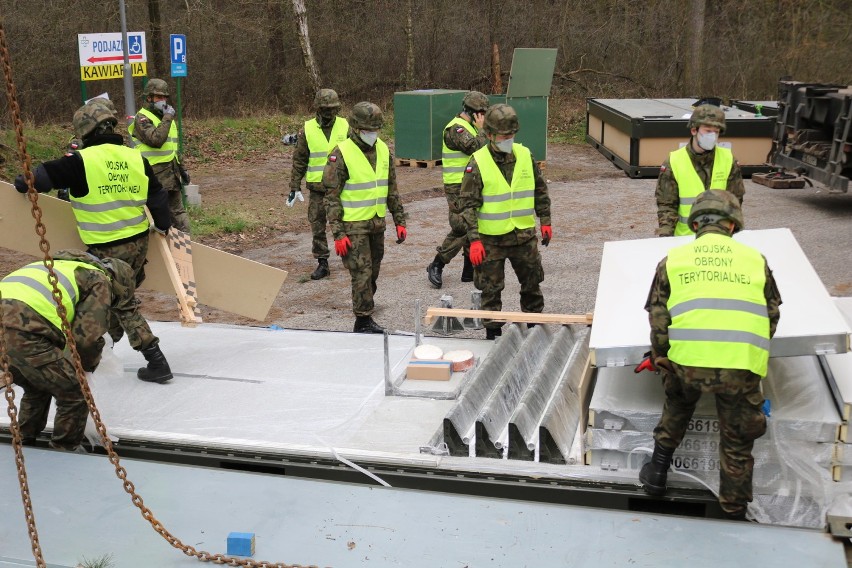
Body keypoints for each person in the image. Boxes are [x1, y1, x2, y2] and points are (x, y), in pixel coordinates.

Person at [639, 189, 782, 520]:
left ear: (696, 225)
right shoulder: (755, 260)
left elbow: (659, 320)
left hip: (688, 362)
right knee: (737, 439)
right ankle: (733, 508)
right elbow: (771, 314)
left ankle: (658, 473)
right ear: (732, 225)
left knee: (678, 400)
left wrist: (661, 356)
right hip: (741, 367)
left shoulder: (673, 262)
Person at [13, 101, 174, 384]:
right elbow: (158, 198)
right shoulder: (135, 157)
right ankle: (101, 350)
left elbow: (32, 180)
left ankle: (156, 360)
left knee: (121, 303)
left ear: (84, 131)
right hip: (138, 244)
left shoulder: (79, 162)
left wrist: (21, 182)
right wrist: (163, 226)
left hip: (106, 249)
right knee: (113, 299)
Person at [0, 251, 137, 451]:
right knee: (74, 392)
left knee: (37, 384)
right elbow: (86, 338)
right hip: (20, 330)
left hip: (16, 326)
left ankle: (23, 442)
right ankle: (64, 452)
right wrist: (86, 369)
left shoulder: (57, 266)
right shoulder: (98, 280)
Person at [458, 104, 552, 340]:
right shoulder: (477, 162)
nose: (507, 139)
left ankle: (534, 330)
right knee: (491, 290)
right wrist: (474, 240)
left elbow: (540, 190)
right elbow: (467, 205)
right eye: (503, 136)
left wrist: (545, 220)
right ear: (489, 134)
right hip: (491, 241)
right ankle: (493, 335)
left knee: (532, 285)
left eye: (511, 135)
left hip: (523, 237)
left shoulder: (524, 155)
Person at [322, 101, 407, 334]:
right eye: (368, 130)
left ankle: (365, 306)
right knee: (362, 272)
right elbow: (331, 198)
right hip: (353, 226)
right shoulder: (341, 154)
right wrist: (338, 234)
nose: (373, 134)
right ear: (356, 128)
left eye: (376, 129)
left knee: (374, 271)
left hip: (377, 223)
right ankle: (362, 320)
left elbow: (392, 189)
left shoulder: (382, 150)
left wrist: (400, 220)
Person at [426, 91, 490, 289]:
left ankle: (469, 270)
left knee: (474, 222)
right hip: (457, 186)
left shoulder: (469, 126)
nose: (484, 117)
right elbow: (475, 147)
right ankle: (437, 263)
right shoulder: (456, 129)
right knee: (463, 226)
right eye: (482, 114)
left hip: (471, 184)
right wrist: (482, 130)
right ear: (473, 113)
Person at [655, 104, 745, 237]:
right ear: (694, 130)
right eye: (708, 131)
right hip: (686, 239)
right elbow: (667, 206)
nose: (713, 136)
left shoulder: (728, 159)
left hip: (719, 239)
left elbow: (735, 202)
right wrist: (666, 238)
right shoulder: (674, 161)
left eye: (717, 131)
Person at [287, 88, 350, 280]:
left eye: (332, 109)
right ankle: (322, 262)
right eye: (324, 109)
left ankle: (349, 257)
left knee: (344, 223)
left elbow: (354, 156)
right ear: (317, 109)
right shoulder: (307, 129)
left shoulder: (345, 126)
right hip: (317, 188)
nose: (328, 113)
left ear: (337, 109)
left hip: (340, 187)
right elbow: (300, 160)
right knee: (317, 225)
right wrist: (294, 186)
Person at [128, 78, 191, 233]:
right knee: (158, 222)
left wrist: (182, 168)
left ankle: (185, 252)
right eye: (158, 97)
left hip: (171, 175)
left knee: (180, 219)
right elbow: (156, 140)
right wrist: (168, 117)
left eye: (164, 97)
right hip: (153, 179)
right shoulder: (142, 119)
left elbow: (173, 148)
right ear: (148, 98)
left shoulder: (165, 119)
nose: (162, 101)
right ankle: (164, 253)